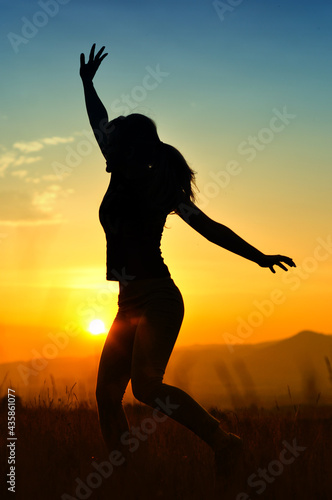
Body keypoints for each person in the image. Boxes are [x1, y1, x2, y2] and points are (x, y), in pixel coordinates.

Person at [79, 44, 296, 473]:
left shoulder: (163, 191)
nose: (111, 133)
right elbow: (99, 121)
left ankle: (225, 442)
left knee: (143, 386)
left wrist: (258, 256)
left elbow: (210, 228)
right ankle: (125, 472)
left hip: (159, 297)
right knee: (106, 395)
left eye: (119, 132)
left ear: (131, 146)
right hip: (127, 303)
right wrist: (87, 83)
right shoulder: (119, 166)